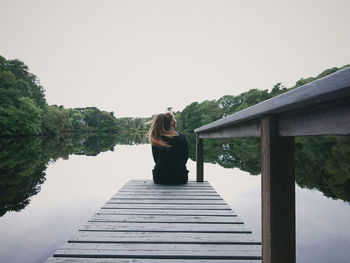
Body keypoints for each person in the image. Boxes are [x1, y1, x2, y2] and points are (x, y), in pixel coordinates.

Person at [146, 112, 189, 184]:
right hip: (180, 178)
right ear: (172, 122)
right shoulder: (181, 137)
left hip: (160, 178)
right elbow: (185, 158)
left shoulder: (156, 137)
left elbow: (156, 159)